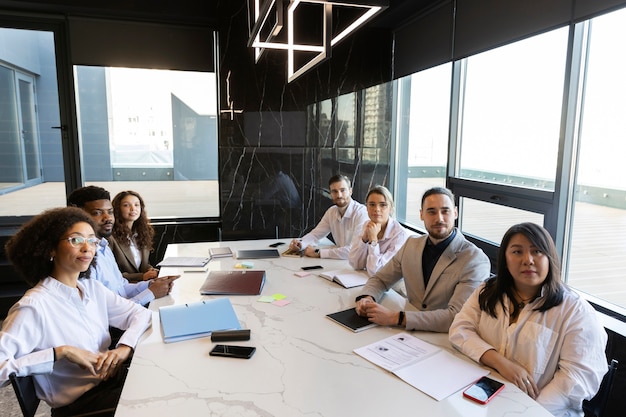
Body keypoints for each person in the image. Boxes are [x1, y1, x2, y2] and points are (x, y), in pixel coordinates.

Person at [1, 207, 152, 415]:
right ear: (50, 249)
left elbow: (141, 314)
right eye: (76, 240)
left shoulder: (91, 288)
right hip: (83, 407)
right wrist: (60, 353)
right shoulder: (34, 305)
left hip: (113, 385)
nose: (87, 248)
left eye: (92, 240)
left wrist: (124, 348)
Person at [449, 222, 607, 416]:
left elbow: (576, 380)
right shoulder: (487, 291)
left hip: (543, 410)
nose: (528, 260)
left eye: (537, 251)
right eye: (517, 252)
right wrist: (501, 362)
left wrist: (526, 412)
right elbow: (459, 329)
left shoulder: (576, 311)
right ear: (505, 259)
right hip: (486, 397)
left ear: (550, 258)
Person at [355, 186, 490, 332]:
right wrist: (367, 298)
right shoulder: (411, 244)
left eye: (445, 211)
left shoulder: (475, 259)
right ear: (421, 215)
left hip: (445, 340)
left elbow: (456, 316)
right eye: (431, 211)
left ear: (455, 213)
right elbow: (380, 279)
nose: (439, 218)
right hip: (407, 335)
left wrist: (397, 318)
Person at [67, 186, 177, 306]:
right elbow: (106, 312)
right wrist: (151, 293)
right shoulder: (81, 258)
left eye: (110, 212)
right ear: (77, 214)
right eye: (97, 213)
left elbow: (121, 287)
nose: (108, 218)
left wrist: (151, 284)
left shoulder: (103, 248)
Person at [288, 174, 368, 259]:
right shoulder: (331, 212)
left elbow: (354, 250)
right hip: (342, 262)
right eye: (334, 191)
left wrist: (318, 253)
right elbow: (316, 235)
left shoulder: (361, 213)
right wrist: (301, 244)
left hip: (361, 266)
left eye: (343, 190)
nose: (339, 195)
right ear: (330, 193)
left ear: (350, 191)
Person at [348, 185, 415, 276]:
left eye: (383, 205)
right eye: (372, 205)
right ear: (366, 208)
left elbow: (377, 271)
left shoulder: (400, 235)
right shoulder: (368, 225)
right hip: (372, 280)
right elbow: (355, 264)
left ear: (390, 208)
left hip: (396, 285)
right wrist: (364, 239)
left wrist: (373, 241)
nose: (377, 209)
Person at [110, 190, 159, 282]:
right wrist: (142, 276)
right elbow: (111, 274)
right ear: (117, 209)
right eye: (126, 205)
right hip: (124, 288)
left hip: (143, 285)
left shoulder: (143, 232)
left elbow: (142, 264)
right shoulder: (111, 237)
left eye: (136, 205)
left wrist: (150, 270)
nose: (133, 209)